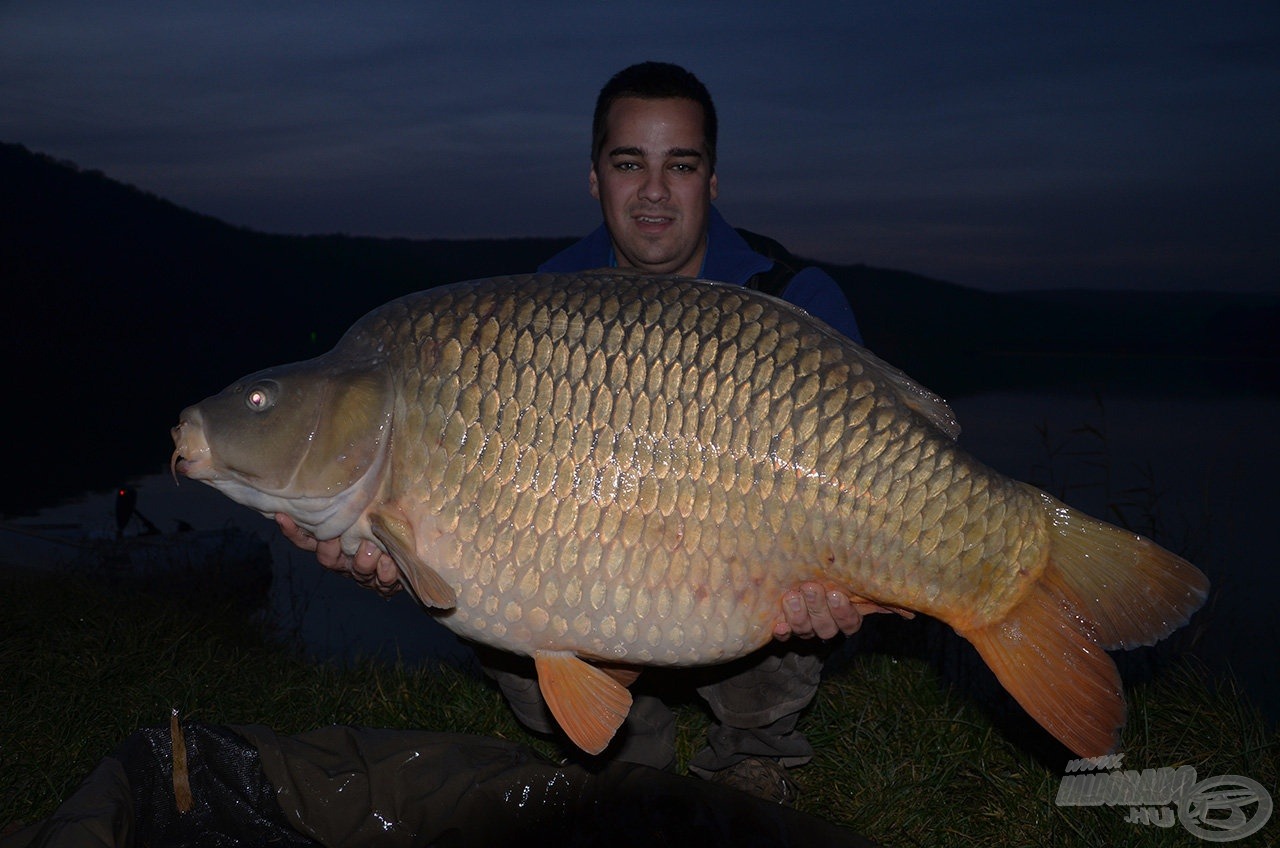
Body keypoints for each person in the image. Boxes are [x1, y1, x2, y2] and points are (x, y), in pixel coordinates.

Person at [278, 61, 880, 804]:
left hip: (738, 580)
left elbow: (874, 467)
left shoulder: (795, 299)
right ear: (596, 179)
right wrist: (399, 552)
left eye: (680, 165)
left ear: (713, 181)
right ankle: (631, 752)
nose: (654, 190)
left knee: (776, 537)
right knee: (499, 604)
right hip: (599, 561)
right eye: (629, 164)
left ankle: (754, 750)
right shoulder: (537, 309)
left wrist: (847, 578)